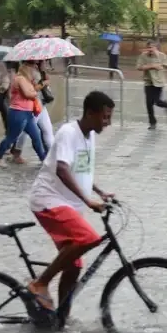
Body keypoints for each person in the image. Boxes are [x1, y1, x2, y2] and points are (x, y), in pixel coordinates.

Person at [25, 91, 116, 321]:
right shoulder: (68, 133)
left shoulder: (89, 136)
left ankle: (59, 319)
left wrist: (100, 192)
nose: (108, 122)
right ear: (90, 113)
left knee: (74, 265)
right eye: (105, 117)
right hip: (49, 200)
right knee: (88, 238)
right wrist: (88, 201)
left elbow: (81, 170)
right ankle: (40, 283)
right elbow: (63, 169)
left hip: (69, 205)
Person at [0, 61, 47, 166]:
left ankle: (44, 160)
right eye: (32, 68)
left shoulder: (27, 81)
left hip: (28, 113)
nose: (34, 70)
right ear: (27, 69)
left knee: (36, 137)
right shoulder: (20, 79)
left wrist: (35, 89)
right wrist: (34, 93)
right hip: (18, 113)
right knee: (11, 138)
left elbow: (32, 91)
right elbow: (28, 94)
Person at [13, 61, 55, 160]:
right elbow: (30, 89)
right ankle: (16, 152)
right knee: (27, 131)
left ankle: (54, 157)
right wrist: (43, 83)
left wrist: (45, 78)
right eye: (44, 61)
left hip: (41, 105)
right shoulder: (25, 70)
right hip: (32, 106)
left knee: (48, 130)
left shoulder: (39, 70)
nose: (45, 62)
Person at [137, 40, 167, 129]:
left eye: (152, 47)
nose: (150, 49)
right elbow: (139, 67)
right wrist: (152, 66)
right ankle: (152, 123)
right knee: (149, 103)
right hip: (148, 82)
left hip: (159, 82)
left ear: (156, 48)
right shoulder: (143, 56)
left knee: (157, 101)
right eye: (148, 47)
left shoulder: (162, 56)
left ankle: (166, 105)